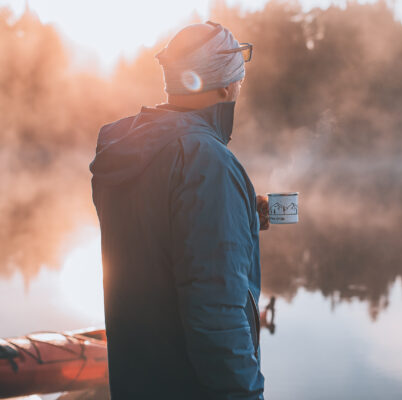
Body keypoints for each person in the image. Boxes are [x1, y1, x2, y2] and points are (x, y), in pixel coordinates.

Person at [89, 21, 267, 399]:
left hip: (137, 381)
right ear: (225, 86)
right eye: (239, 81)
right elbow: (217, 318)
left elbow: (154, 228)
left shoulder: (126, 147)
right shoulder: (206, 161)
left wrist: (238, 213)